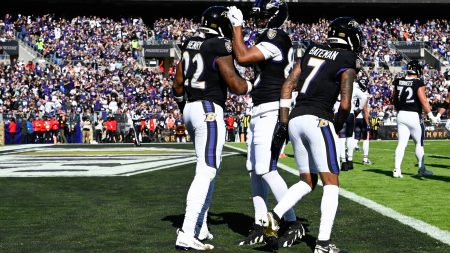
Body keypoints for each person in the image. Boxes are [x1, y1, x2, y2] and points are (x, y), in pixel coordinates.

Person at [260, 17, 363, 253]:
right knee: (331, 183)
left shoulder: (310, 51)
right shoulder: (348, 58)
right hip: (319, 118)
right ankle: (323, 245)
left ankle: (274, 216)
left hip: (296, 117)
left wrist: (283, 123)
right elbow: (345, 104)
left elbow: (287, 85)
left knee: (307, 181)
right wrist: (334, 125)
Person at [173, 6, 253, 251]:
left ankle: (200, 226)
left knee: (210, 170)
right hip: (208, 109)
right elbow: (235, 84)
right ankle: (187, 232)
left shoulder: (190, 43)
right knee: (207, 171)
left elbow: (177, 84)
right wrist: (254, 86)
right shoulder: (220, 45)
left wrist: (185, 107)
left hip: (191, 107)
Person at [227, 1, 303, 248]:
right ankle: (261, 223)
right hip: (261, 107)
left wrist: (236, 26)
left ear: (276, 16)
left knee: (266, 168)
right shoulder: (270, 36)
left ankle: (292, 223)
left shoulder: (275, 36)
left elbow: (243, 57)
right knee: (254, 168)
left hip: (272, 108)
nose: (259, 19)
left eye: (264, 16)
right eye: (257, 16)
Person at [392, 60, 437, 178]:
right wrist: (431, 116)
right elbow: (423, 100)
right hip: (413, 115)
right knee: (419, 143)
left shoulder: (398, 81)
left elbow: (394, 99)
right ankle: (421, 169)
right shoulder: (418, 82)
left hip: (401, 114)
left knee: (401, 144)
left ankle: (397, 170)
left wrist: (399, 110)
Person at [338, 74, 369, 171]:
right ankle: (350, 161)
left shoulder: (337, 85)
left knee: (341, 139)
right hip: (350, 113)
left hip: (339, 113)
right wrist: (358, 110)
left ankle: (343, 162)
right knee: (350, 137)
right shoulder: (353, 87)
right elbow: (363, 98)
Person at [353, 76, 372, 165]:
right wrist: (367, 122)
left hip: (352, 115)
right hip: (360, 117)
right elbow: (365, 109)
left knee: (353, 137)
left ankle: (346, 154)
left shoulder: (353, 89)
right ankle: (365, 159)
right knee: (366, 137)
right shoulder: (364, 92)